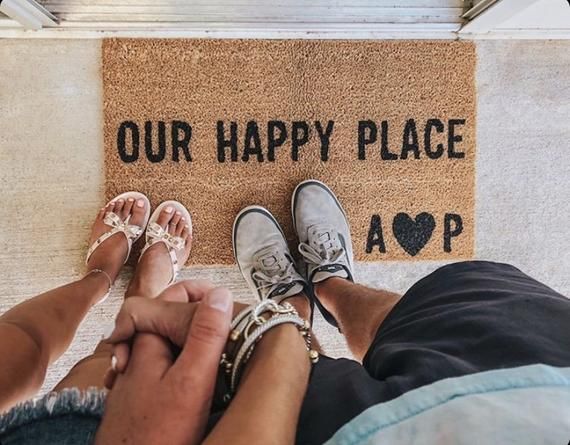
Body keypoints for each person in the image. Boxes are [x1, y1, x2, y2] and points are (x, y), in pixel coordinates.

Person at [1, 180, 569, 445]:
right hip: (545, 389)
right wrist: (276, 339)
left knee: (99, 378)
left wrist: (276, 339)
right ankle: (329, 286)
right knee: (439, 317)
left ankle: (109, 281)